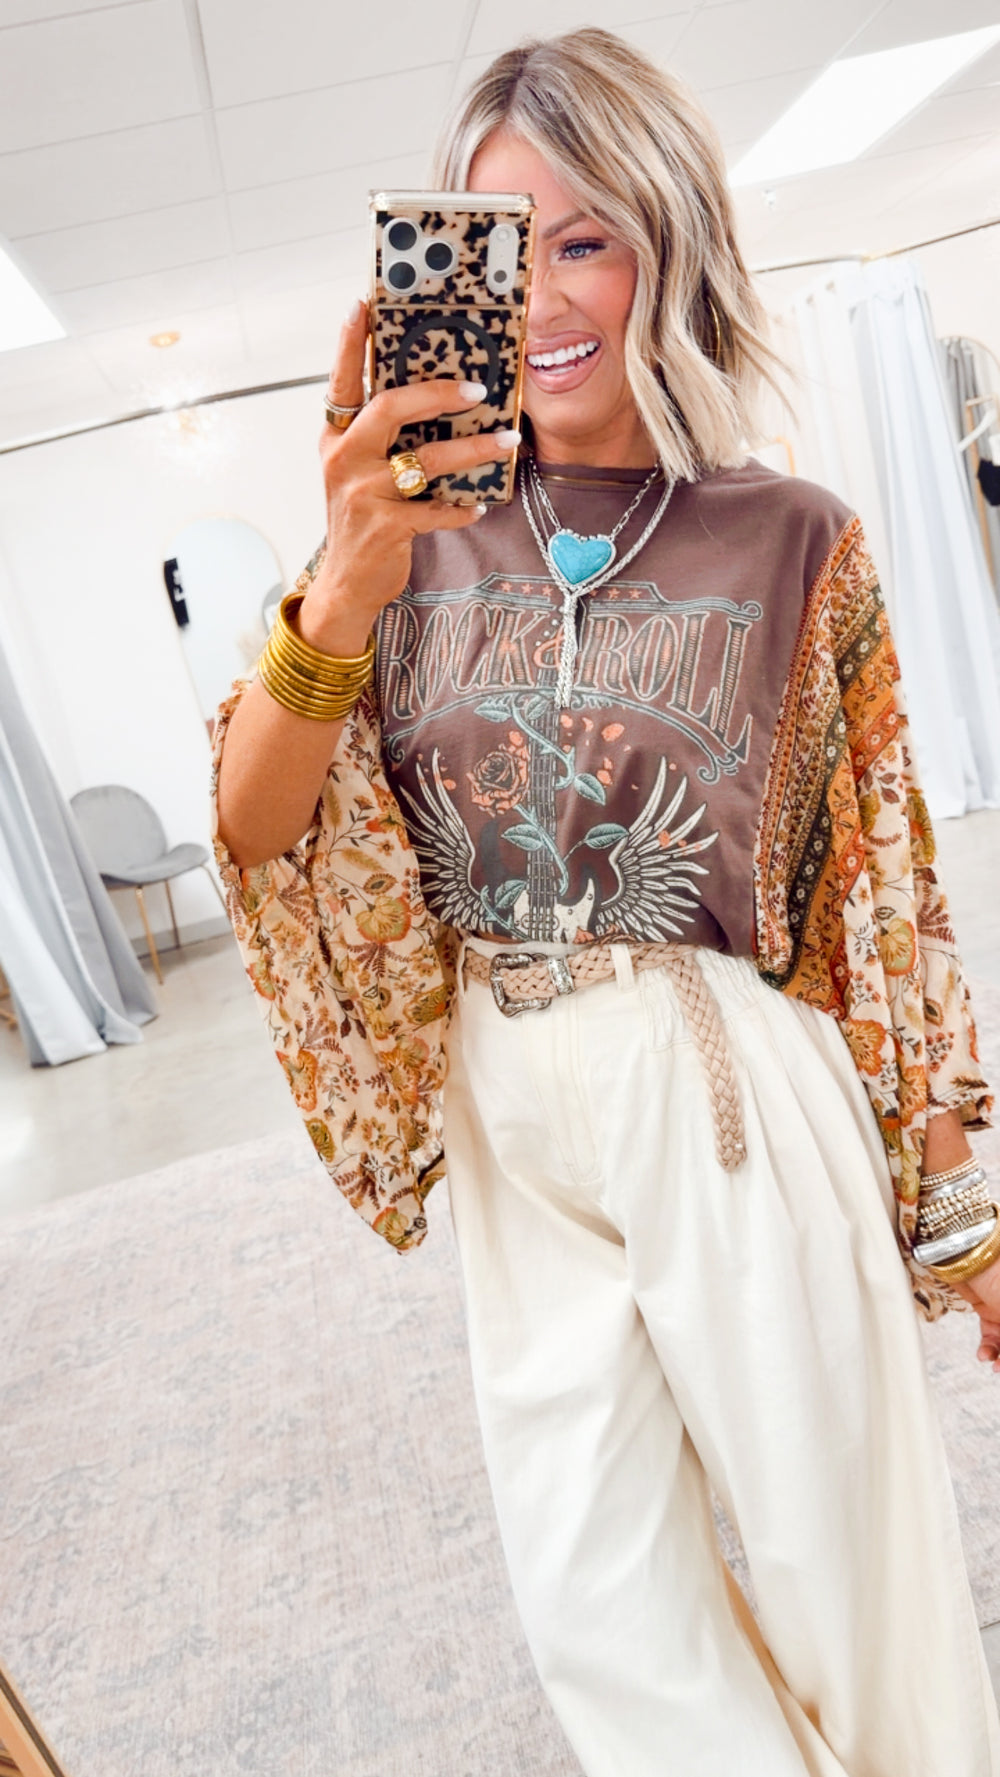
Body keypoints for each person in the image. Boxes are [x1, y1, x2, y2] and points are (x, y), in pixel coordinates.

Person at [213, 28, 1000, 1777]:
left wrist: (961, 1210)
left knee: (850, 1576)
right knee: (599, 1607)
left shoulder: (790, 536)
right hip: (510, 1099)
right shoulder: (394, 536)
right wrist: (345, 576)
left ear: (668, 242)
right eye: (508, 249)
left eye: (590, 238)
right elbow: (258, 830)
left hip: (723, 1079)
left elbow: (880, 890)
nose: (549, 296)